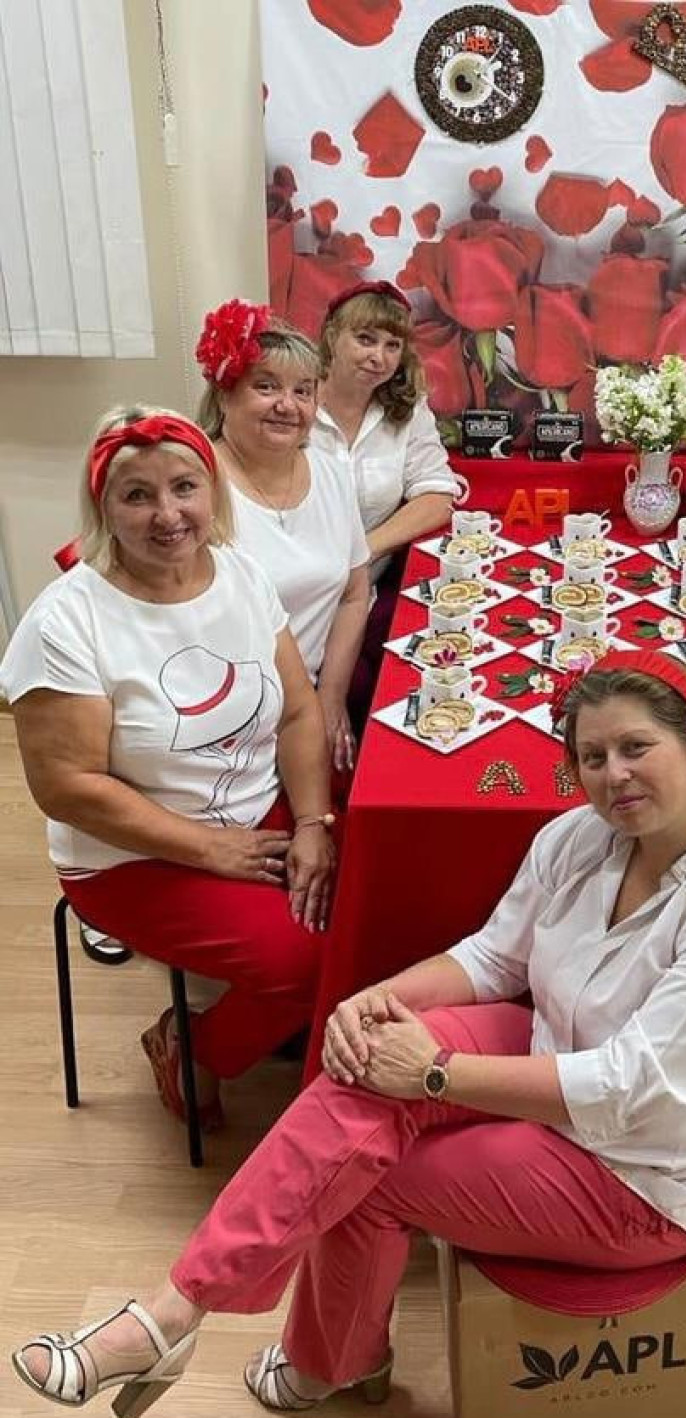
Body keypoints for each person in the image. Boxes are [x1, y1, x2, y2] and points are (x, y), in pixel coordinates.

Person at [10, 652, 686, 1418]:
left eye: (636, 748)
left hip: (644, 1175)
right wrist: (377, 998)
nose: (613, 775)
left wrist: (436, 1072)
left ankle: (326, 1360)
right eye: (592, 756)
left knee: (368, 1171)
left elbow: (629, 1086)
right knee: (363, 1071)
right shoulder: (583, 835)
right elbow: (495, 955)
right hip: (561, 1049)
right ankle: (176, 1310)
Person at [0, 408, 337, 1131]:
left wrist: (313, 821)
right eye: (137, 495)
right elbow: (68, 788)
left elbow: (299, 712)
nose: (168, 514)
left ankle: (291, 1031)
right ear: (102, 507)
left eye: (184, 487)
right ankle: (192, 1048)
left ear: (212, 490)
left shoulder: (241, 573)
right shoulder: (65, 622)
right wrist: (211, 848)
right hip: (133, 857)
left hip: (261, 812)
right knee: (308, 963)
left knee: (380, 901)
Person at [196, 299, 370, 773]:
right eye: (266, 386)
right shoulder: (194, 484)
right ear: (224, 395)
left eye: (303, 391)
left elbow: (355, 593)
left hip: (309, 695)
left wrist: (329, 701)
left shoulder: (331, 471)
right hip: (224, 710)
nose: (287, 405)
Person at [311, 280, 462, 731]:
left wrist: (363, 552)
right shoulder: (295, 405)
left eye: (392, 345)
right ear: (332, 336)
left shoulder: (406, 410)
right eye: (365, 339)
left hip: (364, 592)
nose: (378, 356)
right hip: (298, 591)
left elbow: (437, 495)